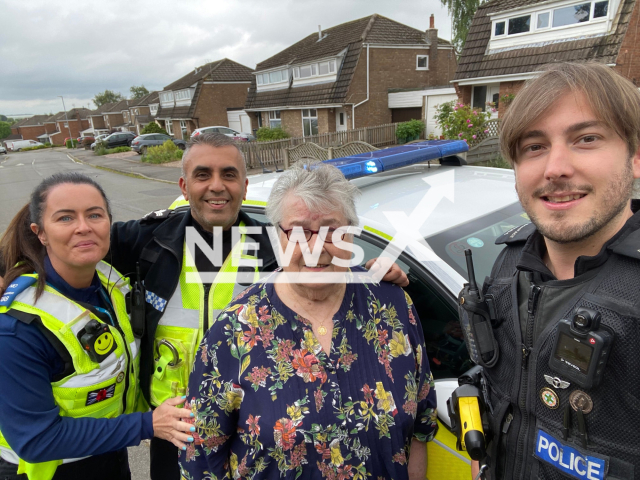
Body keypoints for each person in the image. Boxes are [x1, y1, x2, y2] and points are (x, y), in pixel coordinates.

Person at [108, 133, 409, 479]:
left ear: (245, 186)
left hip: (247, 425)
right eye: (203, 175)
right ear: (184, 185)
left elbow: (325, 268)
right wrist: (29, 278)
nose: (217, 186)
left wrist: (372, 272)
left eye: (229, 175)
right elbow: (69, 246)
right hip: (172, 428)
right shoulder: (148, 239)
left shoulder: (275, 247)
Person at [179, 163, 437, 479]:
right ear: (278, 237)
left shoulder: (392, 305)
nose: (315, 248)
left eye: (331, 231)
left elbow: (420, 426)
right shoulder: (235, 328)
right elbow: (199, 455)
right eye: (298, 231)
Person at [468, 62, 640, 479]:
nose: (555, 168)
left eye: (586, 139)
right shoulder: (509, 263)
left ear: (636, 160)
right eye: (534, 146)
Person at [0, 173, 194, 480]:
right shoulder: (16, 327)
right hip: (50, 471)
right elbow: (36, 439)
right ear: (40, 233)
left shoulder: (109, 282)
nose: (83, 227)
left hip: (108, 456)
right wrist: (148, 424)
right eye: (65, 218)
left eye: (94, 214)